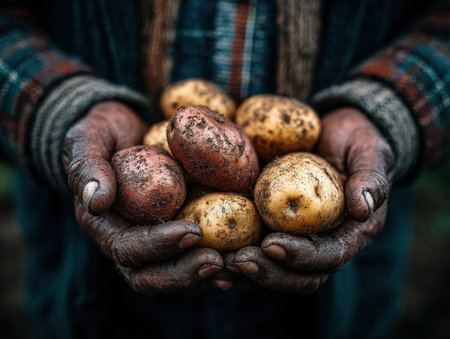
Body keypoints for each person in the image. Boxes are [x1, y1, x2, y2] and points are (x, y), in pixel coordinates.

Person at [1, 0, 448, 338]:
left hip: (344, 298)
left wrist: (392, 110)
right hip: (83, 273)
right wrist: (53, 107)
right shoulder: (185, 132)